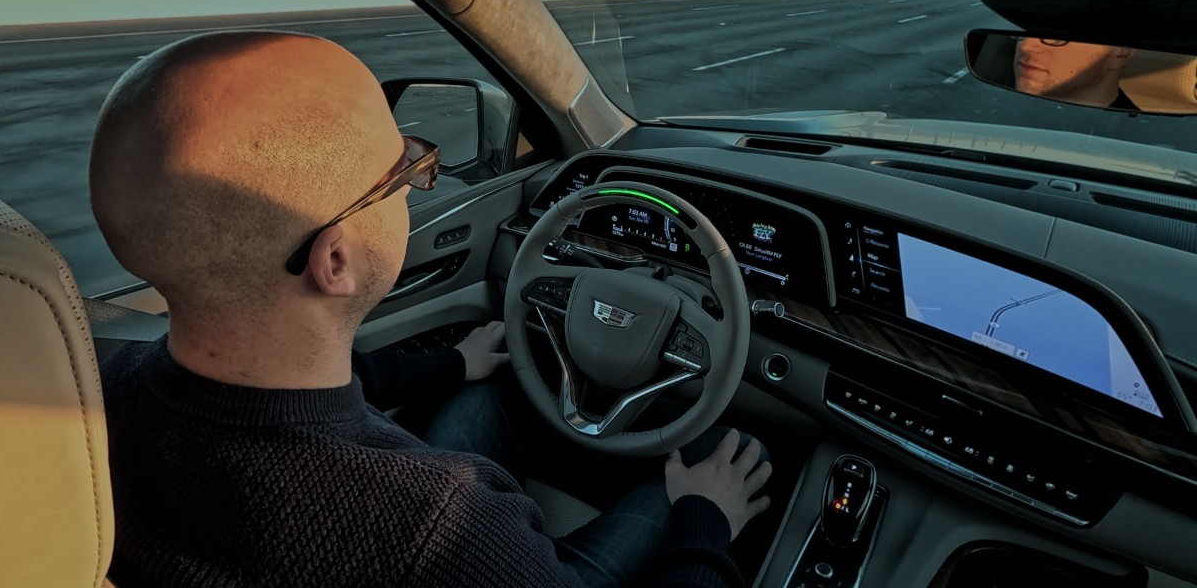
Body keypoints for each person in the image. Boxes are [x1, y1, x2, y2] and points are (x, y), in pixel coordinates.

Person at [89, 30, 773, 588]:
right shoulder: (442, 529)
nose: (417, 183)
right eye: (405, 169)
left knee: (485, 395)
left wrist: (451, 362)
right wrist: (704, 529)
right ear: (335, 260)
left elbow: (345, 386)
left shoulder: (100, 386)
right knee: (707, 469)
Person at [1012, 36, 1137, 109]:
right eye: (1022, 29)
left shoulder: (1140, 147)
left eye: (1056, 36)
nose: (1025, 46)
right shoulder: (997, 113)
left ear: (1120, 54)